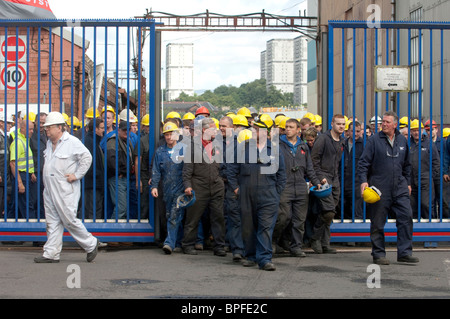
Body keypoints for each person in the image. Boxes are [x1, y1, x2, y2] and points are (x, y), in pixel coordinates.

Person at [34, 112, 99, 263]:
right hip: (50, 187)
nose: (46, 130)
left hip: (65, 188)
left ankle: (90, 243)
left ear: (59, 127)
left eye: (49, 127)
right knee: (52, 220)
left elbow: (87, 157)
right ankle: (51, 253)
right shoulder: (50, 143)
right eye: (46, 128)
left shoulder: (72, 141)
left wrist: (76, 175)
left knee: (69, 219)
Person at [358, 111, 419, 265]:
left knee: (406, 217)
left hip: (400, 187)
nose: (383, 124)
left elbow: (407, 165)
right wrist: (363, 181)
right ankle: (378, 254)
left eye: (387, 122)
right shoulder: (373, 141)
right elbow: (363, 163)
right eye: (382, 122)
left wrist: (408, 183)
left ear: (395, 124)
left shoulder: (402, 140)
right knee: (377, 222)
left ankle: (404, 253)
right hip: (379, 187)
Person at [227, 114, 286, 271]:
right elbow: (231, 170)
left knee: (265, 227)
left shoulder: (275, 149)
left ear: (266, 133)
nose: (254, 131)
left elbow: (282, 175)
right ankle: (251, 255)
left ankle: (264, 259)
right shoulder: (242, 148)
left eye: (257, 129)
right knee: (248, 227)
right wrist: (236, 188)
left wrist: (275, 192)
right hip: (246, 193)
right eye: (253, 129)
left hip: (268, 194)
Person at [274, 118, 320, 257]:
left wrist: (316, 181)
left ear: (298, 130)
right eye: (286, 127)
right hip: (284, 185)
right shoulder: (277, 145)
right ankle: (273, 241)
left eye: (291, 127)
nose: (288, 129)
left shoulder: (303, 147)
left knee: (299, 220)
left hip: (300, 186)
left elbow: (310, 168)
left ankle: (296, 247)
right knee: (283, 217)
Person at [182, 118, 227, 257]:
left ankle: (219, 246)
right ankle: (188, 244)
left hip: (216, 185)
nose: (216, 131)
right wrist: (188, 186)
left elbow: (224, 165)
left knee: (218, 217)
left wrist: (221, 180)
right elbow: (187, 170)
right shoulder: (192, 146)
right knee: (193, 217)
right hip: (199, 185)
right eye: (213, 129)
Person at [309, 114, 346, 254]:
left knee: (329, 212)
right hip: (324, 178)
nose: (341, 126)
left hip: (335, 178)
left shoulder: (341, 141)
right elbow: (314, 161)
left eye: (343, 124)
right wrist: (319, 178)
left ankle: (325, 243)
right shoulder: (323, 139)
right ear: (332, 124)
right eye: (338, 124)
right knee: (329, 210)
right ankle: (315, 238)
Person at [150, 122, 185, 254]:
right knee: (170, 215)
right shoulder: (160, 151)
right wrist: (154, 186)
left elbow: (188, 170)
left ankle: (169, 243)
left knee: (175, 215)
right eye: (166, 135)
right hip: (166, 188)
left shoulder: (183, 150)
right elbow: (156, 170)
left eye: (171, 134)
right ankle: (178, 241)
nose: (169, 137)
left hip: (180, 188)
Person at [219, 115, 245, 262]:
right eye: (220, 126)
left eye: (224, 126)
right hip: (219, 183)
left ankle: (235, 246)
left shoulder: (238, 143)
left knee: (235, 216)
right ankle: (226, 243)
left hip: (233, 184)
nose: (221, 128)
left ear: (232, 127)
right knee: (222, 215)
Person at [409, 120, 440, 220]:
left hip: (425, 180)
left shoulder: (429, 143)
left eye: (418, 130)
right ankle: (412, 230)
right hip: (410, 181)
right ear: (410, 131)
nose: (416, 132)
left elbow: (436, 162)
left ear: (422, 130)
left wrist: (430, 177)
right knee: (411, 207)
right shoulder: (407, 143)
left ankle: (431, 229)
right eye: (413, 130)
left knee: (426, 205)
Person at [106, 121, 135, 220]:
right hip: (117, 178)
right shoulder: (113, 142)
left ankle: (117, 230)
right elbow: (110, 160)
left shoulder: (126, 141)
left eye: (128, 130)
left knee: (123, 207)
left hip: (125, 178)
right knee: (121, 207)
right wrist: (119, 172)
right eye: (124, 130)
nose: (126, 132)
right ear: (118, 130)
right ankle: (111, 231)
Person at [9, 118, 37, 219]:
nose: (32, 132)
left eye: (33, 129)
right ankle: (32, 228)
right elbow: (13, 164)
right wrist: (20, 183)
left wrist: (31, 173)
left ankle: (8, 229)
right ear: (23, 128)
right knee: (27, 205)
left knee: (15, 205)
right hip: (21, 176)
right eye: (30, 129)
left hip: (26, 175)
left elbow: (25, 160)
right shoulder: (18, 142)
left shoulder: (25, 140)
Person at [342, 121, 364, 220]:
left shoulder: (364, 145)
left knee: (356, 211)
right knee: (343, 209)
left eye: (358, 131)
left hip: (357, 183)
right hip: (343, 181)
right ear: (347, 132)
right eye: (352, 131)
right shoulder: (342, 143)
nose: (355, 133)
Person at [84, 118, 105, 220]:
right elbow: (87, 165)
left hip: (96, 183)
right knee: (91, 212)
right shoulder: (89, 142)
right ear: (95, 129)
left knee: (96, 210)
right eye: (101, 128)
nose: (103, 130)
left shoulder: (94, 141)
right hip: (92, 184)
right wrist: (98, 174)